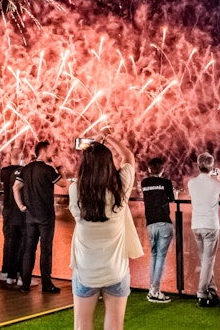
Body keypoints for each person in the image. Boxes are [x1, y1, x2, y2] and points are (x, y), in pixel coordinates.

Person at [69, 134, 141, 330]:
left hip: (86, 270)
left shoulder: (76, 190)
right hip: (116, 270)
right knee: (115, 325)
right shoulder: (120, 188)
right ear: (109, 164)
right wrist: (109, 138)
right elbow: (128, 157)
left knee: (82, 325)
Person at [13, 140, 67, 294]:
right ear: (43, 151)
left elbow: (15, 187)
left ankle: (25, 283)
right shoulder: (47, 170)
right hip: (46, 216)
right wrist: (60, 168)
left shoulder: (26, 169)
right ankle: (46, 283)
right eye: (50, 151)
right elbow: (64, 183)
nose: (53, 154)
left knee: (29, 249)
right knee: (45, 250)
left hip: (30, 216)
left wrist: (21, 206)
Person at [187, 152, 220, 307]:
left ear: (198, 165)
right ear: (212, 167)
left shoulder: (191, 183)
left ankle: (212, 291)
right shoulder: (216, 183)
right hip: (211, 225)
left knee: (205, 261)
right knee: (208, 261)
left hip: (196, 225)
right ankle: (202, 294)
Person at [141, 156, 175, 303]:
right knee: (160, 257)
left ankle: (152, 289)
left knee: (154, 256)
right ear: (162, 169)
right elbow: (172, 199)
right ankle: (155, 291)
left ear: (149, 169)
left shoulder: (144, 182)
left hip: (150, 223)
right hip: (163, 223)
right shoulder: (166, 182)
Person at [0, 147, 27, 285]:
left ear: (9, 156)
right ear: (22, 157)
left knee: (9, 242)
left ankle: (7, 272)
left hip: (7, 210)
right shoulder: (24, 171)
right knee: (22, 244)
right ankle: (20, 273)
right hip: (20, 212)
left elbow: (2, 186)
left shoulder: (4, 171)